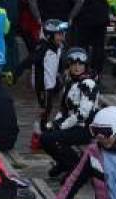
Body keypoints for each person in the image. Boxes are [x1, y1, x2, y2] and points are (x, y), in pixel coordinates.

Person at [38, 47, 101, 178]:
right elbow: (63, 109)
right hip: (73, 124)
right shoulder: (70, 82)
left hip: (85, 128)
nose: (77, 67)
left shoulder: (88, 83)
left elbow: (81, 115)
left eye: (80, 64)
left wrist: (60, 126)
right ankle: (64, 163)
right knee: (44, 135)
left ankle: (76, 166)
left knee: (50, 138)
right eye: (73, 64)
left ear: (85, 66)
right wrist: (54, 123)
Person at [69, 0, 112, 74]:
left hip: (82, 19)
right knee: (99, 47)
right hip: (99, 18)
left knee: (82, 46)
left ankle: (82, 71)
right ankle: (97, 72)